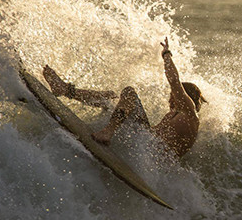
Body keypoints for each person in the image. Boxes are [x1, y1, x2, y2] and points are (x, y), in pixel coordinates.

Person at [43, 37, 206, 157]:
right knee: (111, 97)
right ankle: (64, 89)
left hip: (150, 157)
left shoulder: (189, 112)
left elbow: (174, 80)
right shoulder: (177, 116)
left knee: (129, 93)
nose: (170, 100)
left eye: (173, 96)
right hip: (146, 148)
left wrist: (166, 54)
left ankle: (108, 132)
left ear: (185, 97)